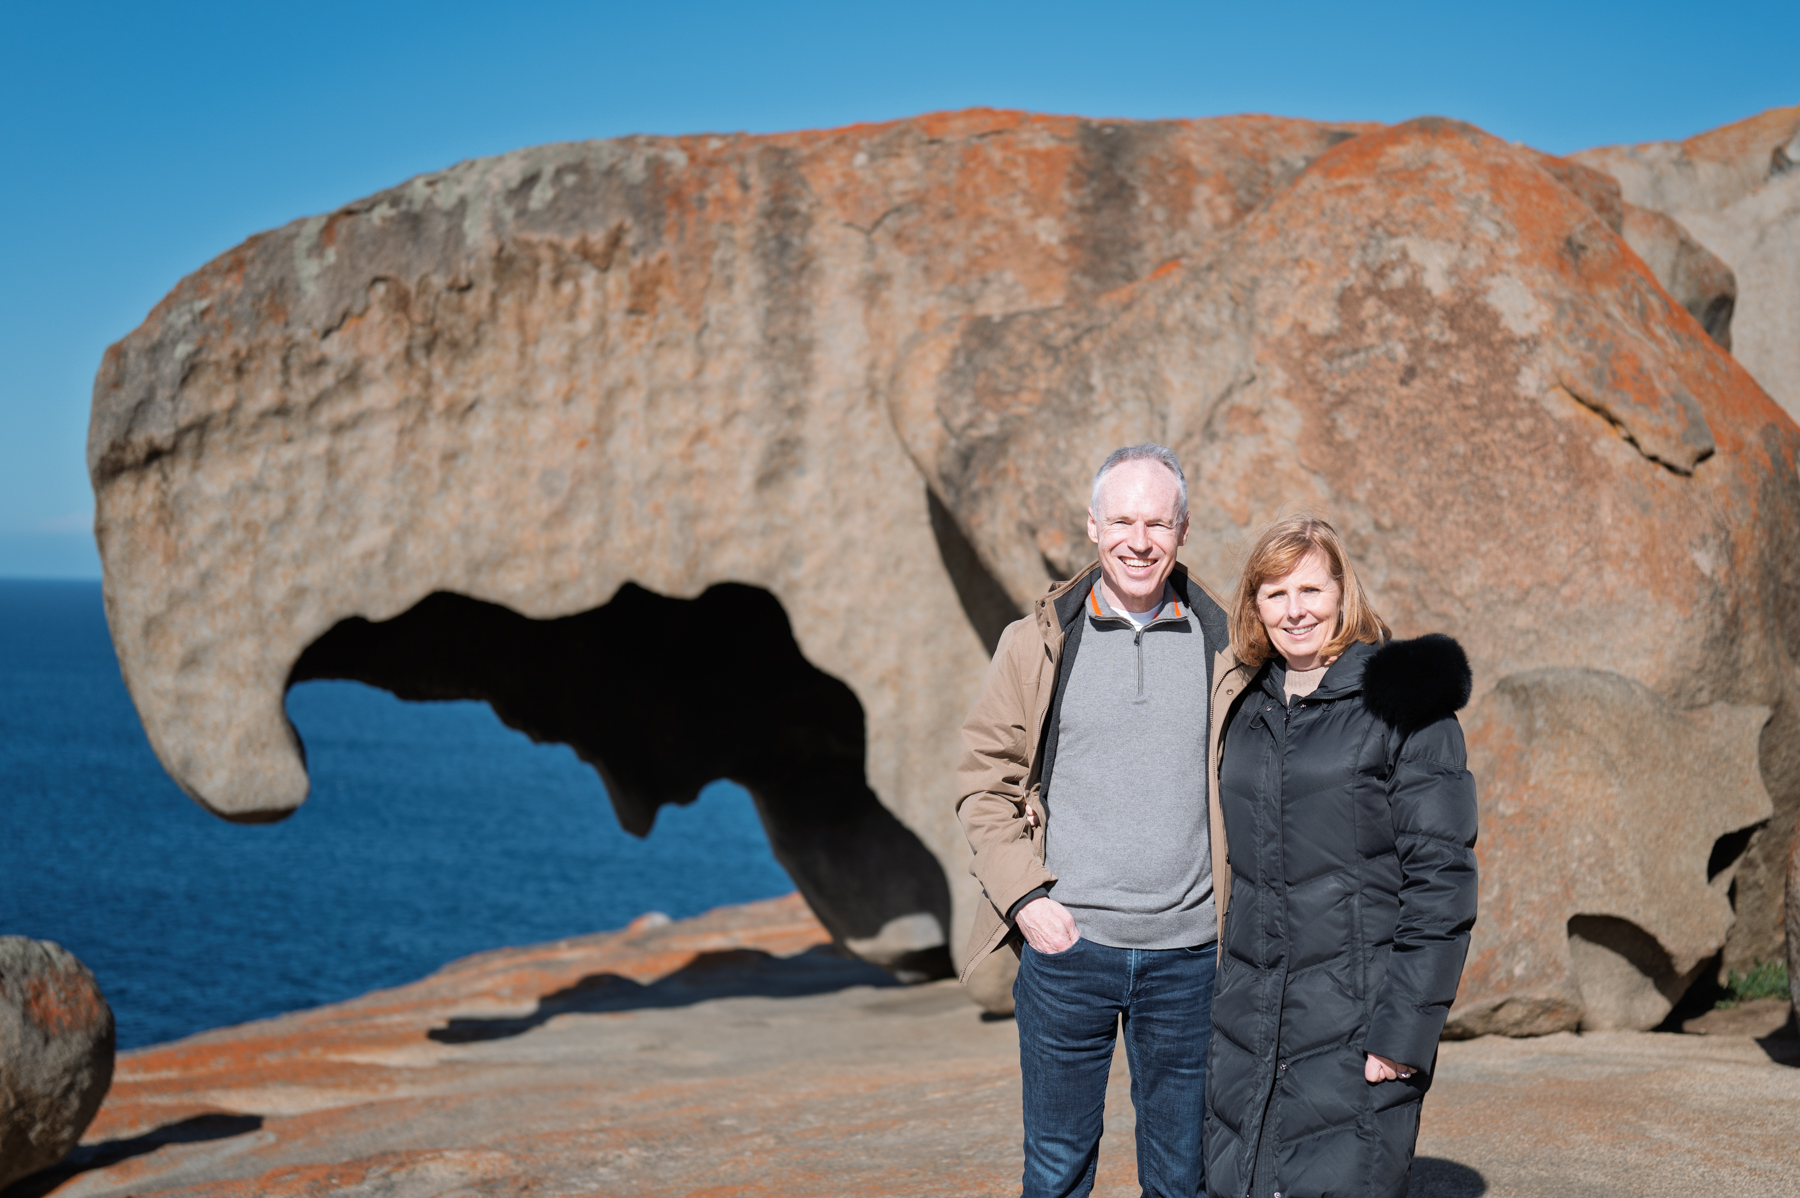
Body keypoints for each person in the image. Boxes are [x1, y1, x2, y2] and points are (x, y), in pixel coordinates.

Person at [956, 443, 1232, 1198]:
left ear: (1182, 529)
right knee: (1055, 1171)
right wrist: (1027, 900)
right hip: (1068, 953)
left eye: (1157, 522)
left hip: (1190, 959)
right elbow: (986, 784)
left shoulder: (1229, 648)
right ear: (1091, 525)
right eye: (1121, 521)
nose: (1138, 541)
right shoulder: (1037, 642)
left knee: (1183, 1179)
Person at [1203, 515, 1478, 1198]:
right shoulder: (1244, 704)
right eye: (1275, 593)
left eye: (1310, 589)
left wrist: (1403, 1034)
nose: (1295, 610)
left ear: (1342, 592)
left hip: (1359, 1023)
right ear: (1254, 606)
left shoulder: (1404, 705)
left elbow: (1442, 882)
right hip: (1249, 1020)